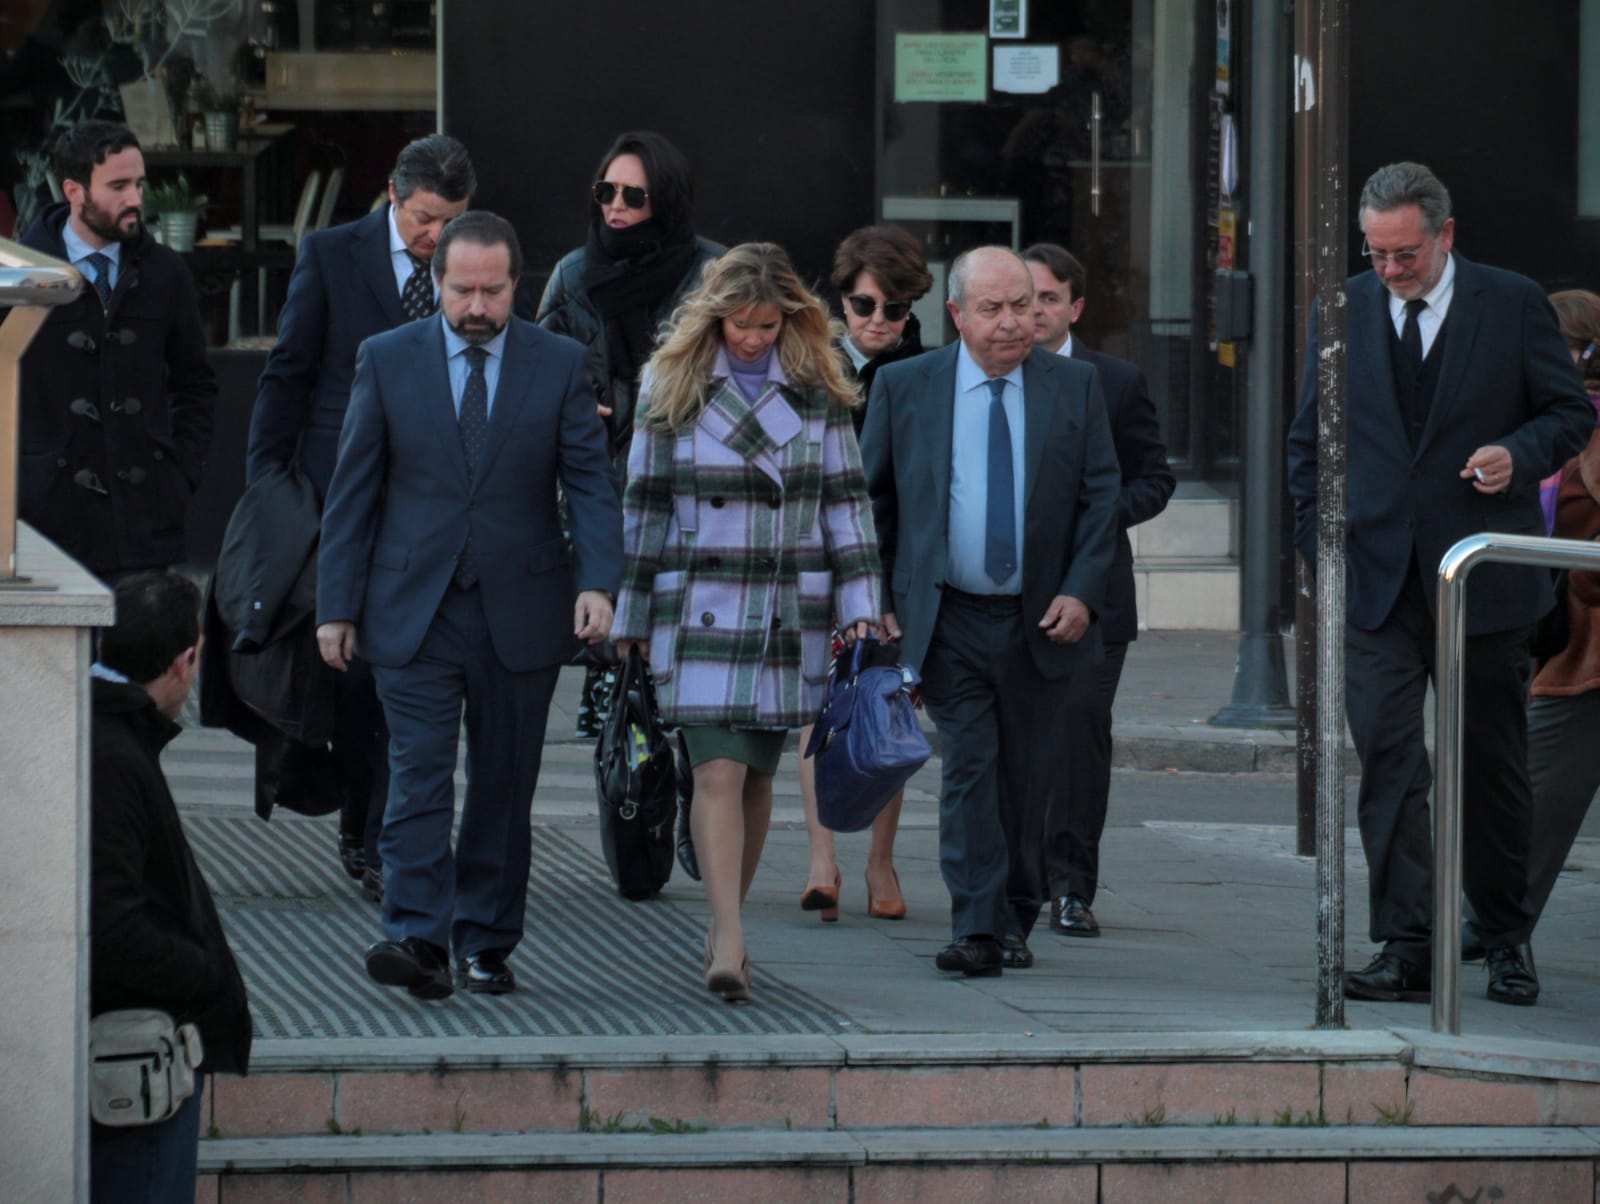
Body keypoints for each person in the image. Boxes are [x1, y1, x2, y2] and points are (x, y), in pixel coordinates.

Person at [1287, 162, 1593, 1007]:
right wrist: (1323, 554)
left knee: (1490, 768)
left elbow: (1568, 414)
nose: (1391, 270)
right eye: (1377, 253)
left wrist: (1517, 455)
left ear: (1445, 236)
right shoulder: (1340, 308)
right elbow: (1310, 444)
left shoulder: (1513, 301)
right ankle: (1406, 943)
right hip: (1375, 583)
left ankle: (1503, 938)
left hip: (1483, 580)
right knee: (1389, 761)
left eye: (1406, 254)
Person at [316, 211, 622, 1000]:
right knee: (418, 775)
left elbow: (588, 481)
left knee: (503, 783)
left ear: (516, 284)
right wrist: (335, 605)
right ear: (436, 283)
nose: (477, 307)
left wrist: (598, 582)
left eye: (492, 291)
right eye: (461, 290)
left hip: (519, 606)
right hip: (410, 605)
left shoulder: (557, 363)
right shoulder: (386, 360)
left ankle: (485, 940)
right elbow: (353, 492)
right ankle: (416, 937)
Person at [611, 243, 881, 1002]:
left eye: (767, 324)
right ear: (715, 316)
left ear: (790, 317)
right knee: (718, 769)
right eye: (740, 324)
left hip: (784, 604)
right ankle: (728, 932)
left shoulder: (820, 384)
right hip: (700, 596)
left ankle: (727, 918)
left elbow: (844, 502)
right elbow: (646, 505)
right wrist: (630, 612)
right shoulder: (674, 383)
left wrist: (860, 606)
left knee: (758, 775)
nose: (753, 338)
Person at [860, 245, 1120, 977]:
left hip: (1041, 618)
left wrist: (1081, 589)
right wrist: (877, 600)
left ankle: (1016, 911)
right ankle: (977, 925)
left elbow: (1101, 500)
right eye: (993, 309)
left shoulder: (1075, 388)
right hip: (948, 619)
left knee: (1028, 777)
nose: (1013, 323)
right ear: (956, 315)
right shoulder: (906, 387)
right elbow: (872, 503)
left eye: (1025, 306)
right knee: (970, 765)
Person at [247, 134, 476, 899]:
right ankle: (358, 816)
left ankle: (384, 837)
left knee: (403, 667)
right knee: (348, 670)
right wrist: (267, 485)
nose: (434, 237)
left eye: (449, 219)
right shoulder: (331, 253)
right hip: (334, 488)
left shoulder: (477, 265)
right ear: (390, 193)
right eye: (421, 218)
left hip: (432, 496)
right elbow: (289, 372)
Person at [535, 130, 721, 739]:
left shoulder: (711, 274)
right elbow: (538, 367)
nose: (615, 206)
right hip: (599, 481)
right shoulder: (572, 273)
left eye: (633, 196)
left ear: (664, 201)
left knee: (690, 709)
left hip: (689, 481)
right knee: (619, 740)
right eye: (605, 190)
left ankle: (694, 830)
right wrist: (571, 408)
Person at [1021, 242, 1175, 939]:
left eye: (1048, 299)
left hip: (1095, 594)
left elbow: (1155, 479)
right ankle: (1013, 879)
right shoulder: (982, 376)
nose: (1034, 312)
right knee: (1015, 739)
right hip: (1005, 591)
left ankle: (1071, 887)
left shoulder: (1114, 383)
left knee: (1078, 739)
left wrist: (1095, 511)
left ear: (1074, 307)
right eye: (1022, 299)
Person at [90, 571, 250, 1203]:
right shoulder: (113, 755)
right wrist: (202, 974)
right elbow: (110, 924)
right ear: (186, 662)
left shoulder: (103, 735)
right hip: (134, 1058)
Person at [795, 224, 931, 923]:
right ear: (840, 301)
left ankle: (880, 861)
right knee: (819, 707)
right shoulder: (810, 368)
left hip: (895, 566)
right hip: (817, 559)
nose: (877, 322)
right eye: (863, 305)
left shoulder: (929, 375)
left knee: (883, 704)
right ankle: (823, 860)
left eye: (894, 309)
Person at [16, 119, 215, 584]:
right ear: (74, 191)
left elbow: (195, 385)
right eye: (118, 185)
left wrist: (179, 474)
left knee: (141, 654)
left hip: (143, 523)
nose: (135, 199)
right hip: (46, 524)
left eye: (139, 184)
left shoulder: (165, 273)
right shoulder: (21, 273)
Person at [1465, 289, 1600, 963]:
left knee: (1535, 786)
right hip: (1558, 642)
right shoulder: (1545, 419)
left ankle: (1493, 924)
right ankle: (1494, 923)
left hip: (1586, 653)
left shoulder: (1589, 424)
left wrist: (1579, 575)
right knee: (1527, 783)